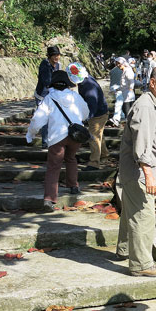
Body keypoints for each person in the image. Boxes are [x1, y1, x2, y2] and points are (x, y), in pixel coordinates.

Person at [115, 66, 156, 276]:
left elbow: (150, 142)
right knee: (144, 215)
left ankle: (124, 249)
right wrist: (149, 173)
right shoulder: (145, 107)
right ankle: (141, 265)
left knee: (131, 210)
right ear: (152, 83)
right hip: (137, 171)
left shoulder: (151, 105)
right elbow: (141, 145)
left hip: (135, 169)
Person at [26, 70, 89, 212]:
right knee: (71, 159)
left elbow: (38, 119)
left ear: (53, 84)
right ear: (67, 83)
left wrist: (31, 134)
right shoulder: (75, 96)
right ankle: (73, 186)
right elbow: (85, 112)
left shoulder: (49, 98)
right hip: (75, 135)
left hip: (57, 136)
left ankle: (49, 199)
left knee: (54, 166)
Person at [70, 62, 110, 171]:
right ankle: (104, 155)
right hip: (101, 111)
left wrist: (87, 118)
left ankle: (94, 163)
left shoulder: (88, 86)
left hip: (97, 114)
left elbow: (92, 103)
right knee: (99, 134)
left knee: (93, 137)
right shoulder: (87, 80)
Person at [35, 46, 61, 148]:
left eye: (58, 55)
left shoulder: (57, 65)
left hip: (52, 95)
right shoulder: (45, 65)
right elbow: (47, 81)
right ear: (49, 56)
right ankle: (45, 142)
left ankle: (52, 140)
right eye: (54, 55)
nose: (56, 57)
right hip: (42, 95)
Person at [109, 57, 125, 126]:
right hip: (119, 87)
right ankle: (116, 118)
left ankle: (122, 115)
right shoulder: (123, 70)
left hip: (112, 87)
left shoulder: (112, 70)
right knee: (119, 102)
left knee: (119, 101)